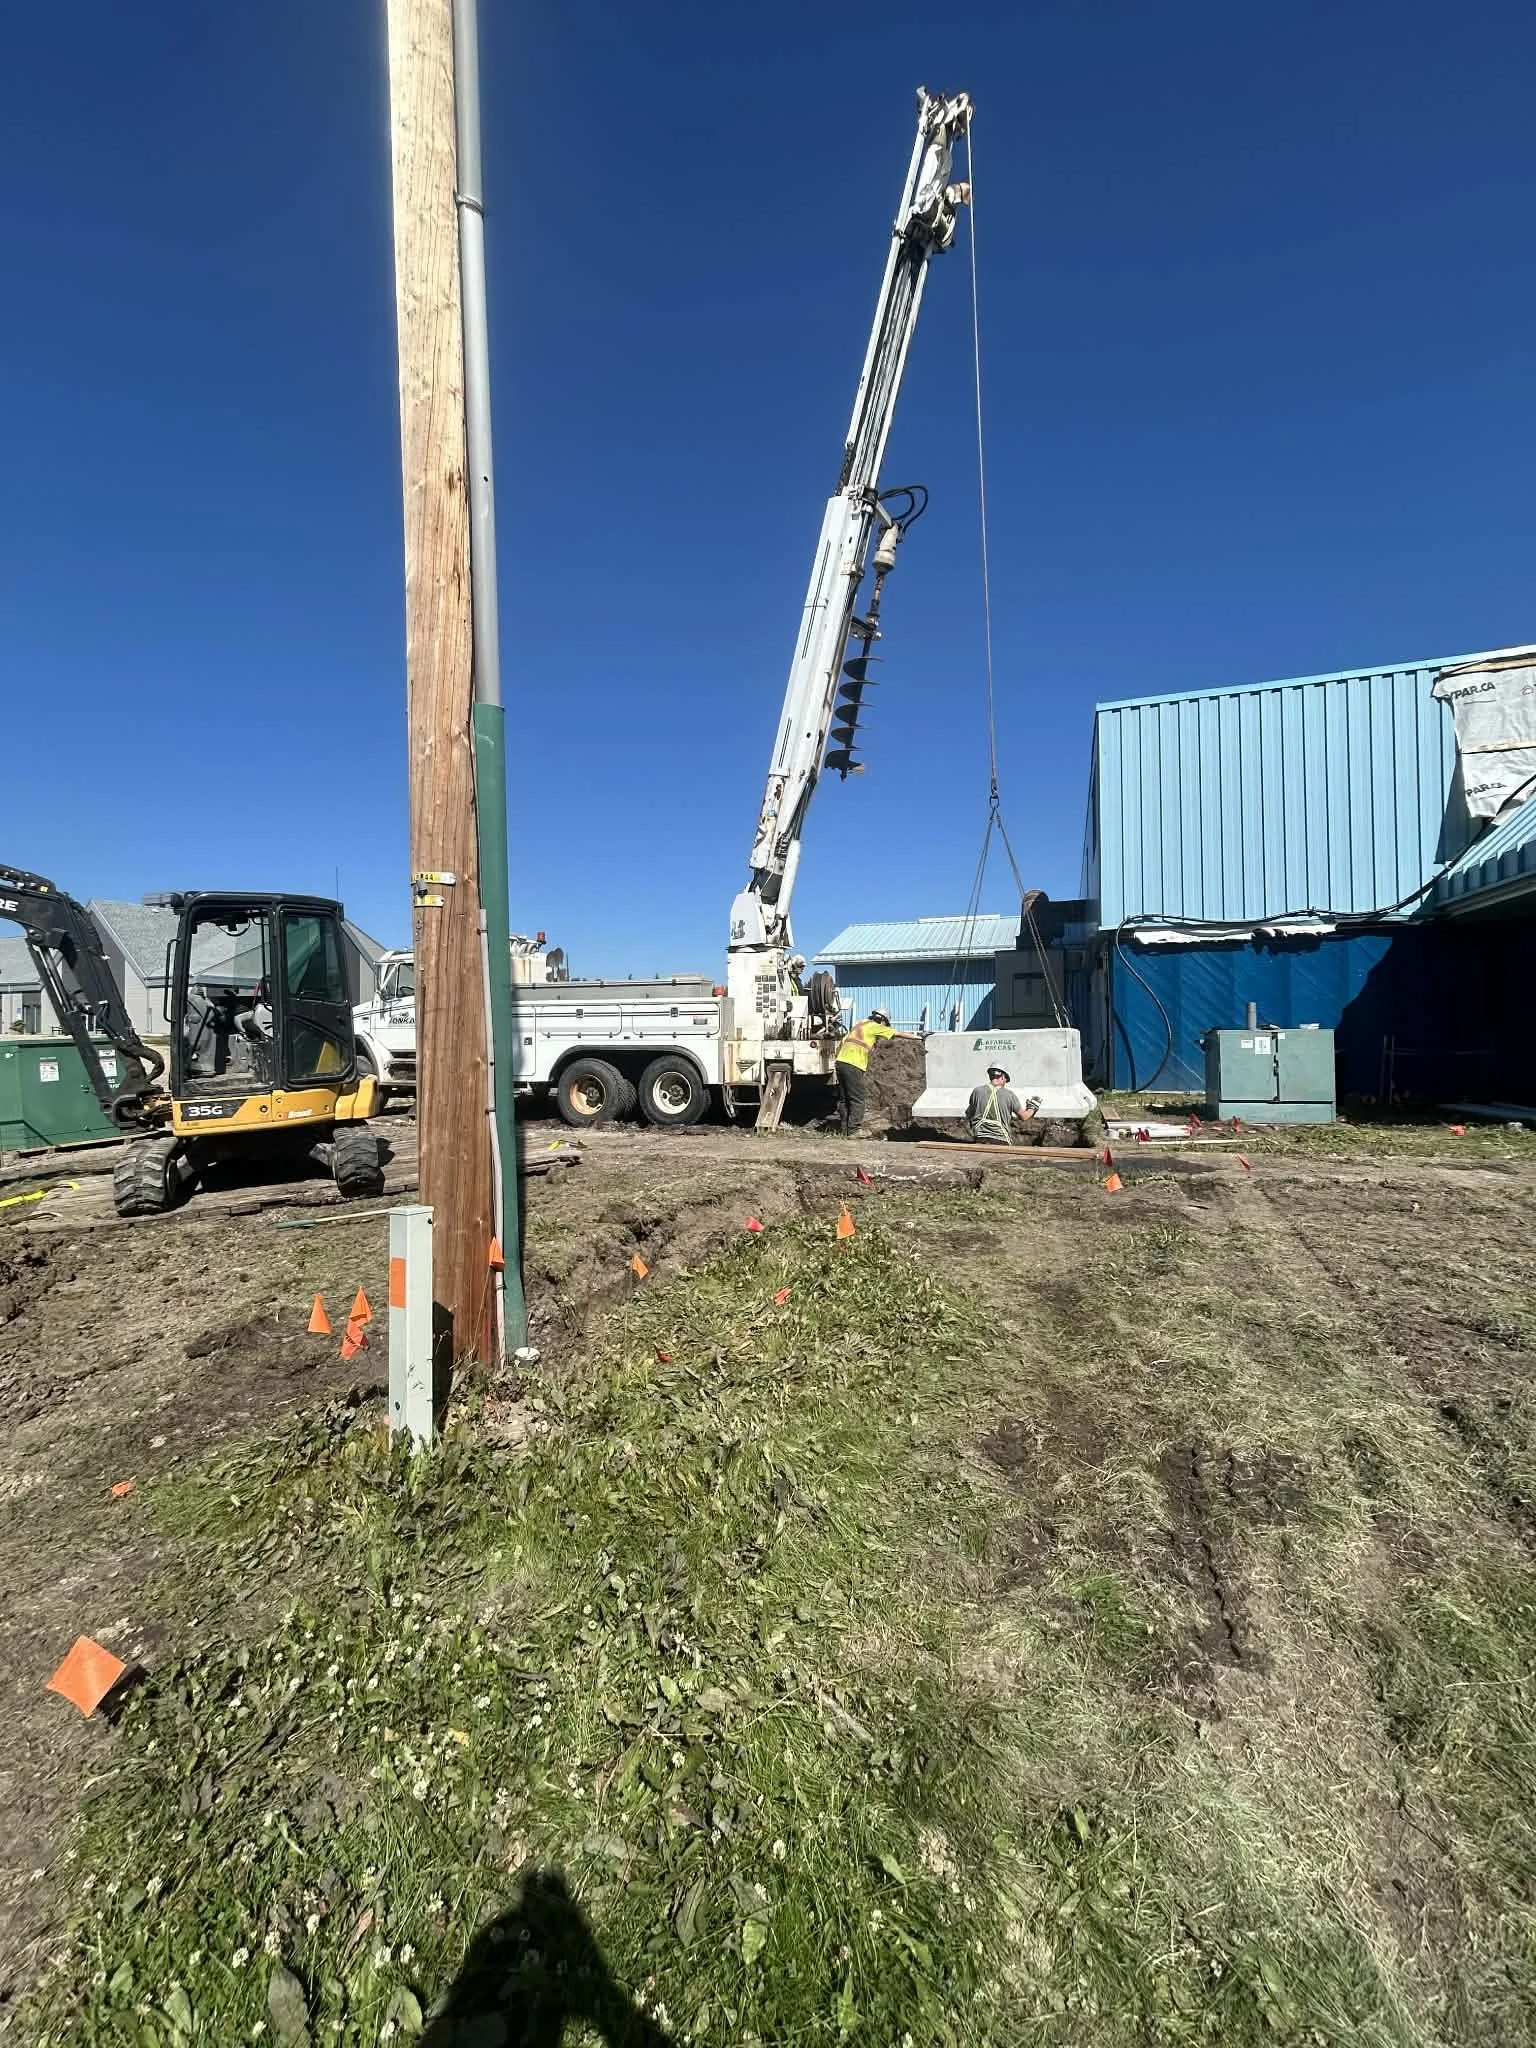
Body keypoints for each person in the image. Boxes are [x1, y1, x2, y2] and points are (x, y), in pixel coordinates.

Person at [834, 1007, 895, 1135]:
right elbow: (896, 1033)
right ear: (882, 1020)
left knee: (844, 1099)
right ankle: (854, 1130)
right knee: (858, 1099)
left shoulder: (859, 1025)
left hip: (840, 1062)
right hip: (854, 1064)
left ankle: (845, 1130)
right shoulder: (875, 1026)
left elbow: (842, 1042)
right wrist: (918, 1037)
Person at [966, 1064, 1037, 1145]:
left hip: (980, 1139)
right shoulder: (1009, 1095)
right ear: (1003, 1077)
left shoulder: (977, 1091)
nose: (1005, 1083)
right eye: (1006, 1080)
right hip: (1001, 1140)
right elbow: (1024, 1116)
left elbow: (969, 1114)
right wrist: (1033, 1107)